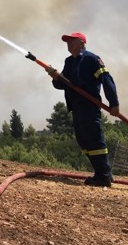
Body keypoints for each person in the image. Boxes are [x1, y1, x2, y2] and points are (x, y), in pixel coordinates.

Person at [46, 32, 120, 187]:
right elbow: (63, 84)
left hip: (89, 105)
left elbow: (106, 79)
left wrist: (113, 103)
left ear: (81, 43)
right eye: (67, 42)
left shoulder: (91, 59)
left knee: (94, 138)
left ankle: (104, 176)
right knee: (83, 141)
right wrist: (55, 77)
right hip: (76, 106)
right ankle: (103, 172)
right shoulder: (69, 61)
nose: (68, 44)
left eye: (71, 41)